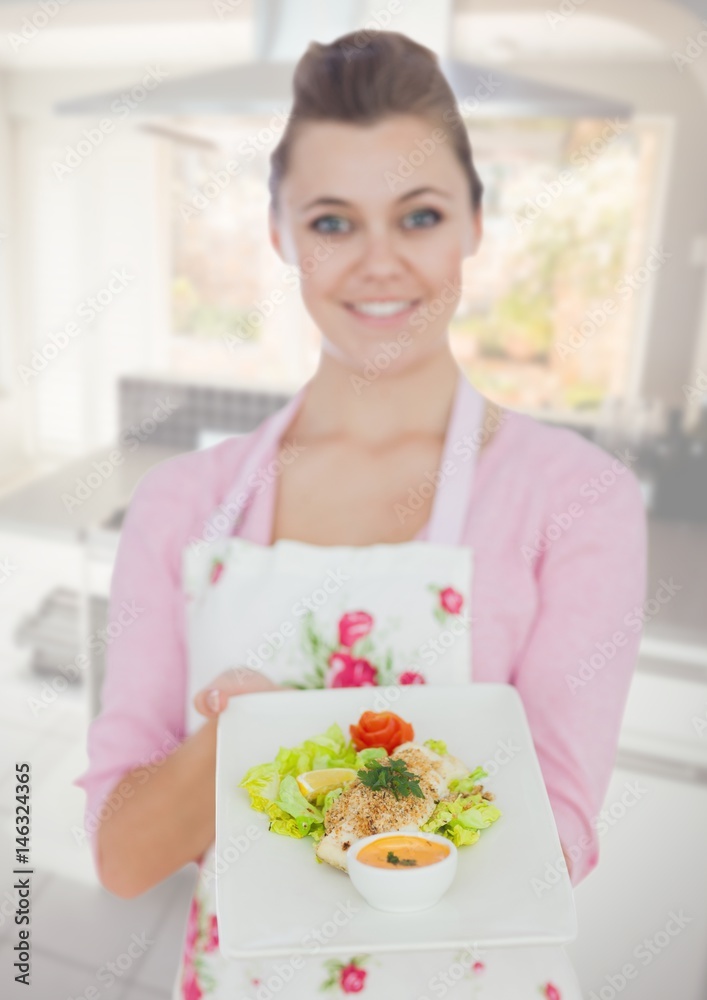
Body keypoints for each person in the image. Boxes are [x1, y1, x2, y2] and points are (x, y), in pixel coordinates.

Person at [75, 30, 646, 1000]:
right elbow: (124, 857)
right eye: (333, 223)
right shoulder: (180, 507)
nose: (378, 265)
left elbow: (552, 841)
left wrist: (296, 767)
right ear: (280, 236)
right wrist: (232, 747)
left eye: (417, 216)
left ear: (472, 221)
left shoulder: (575, 500)